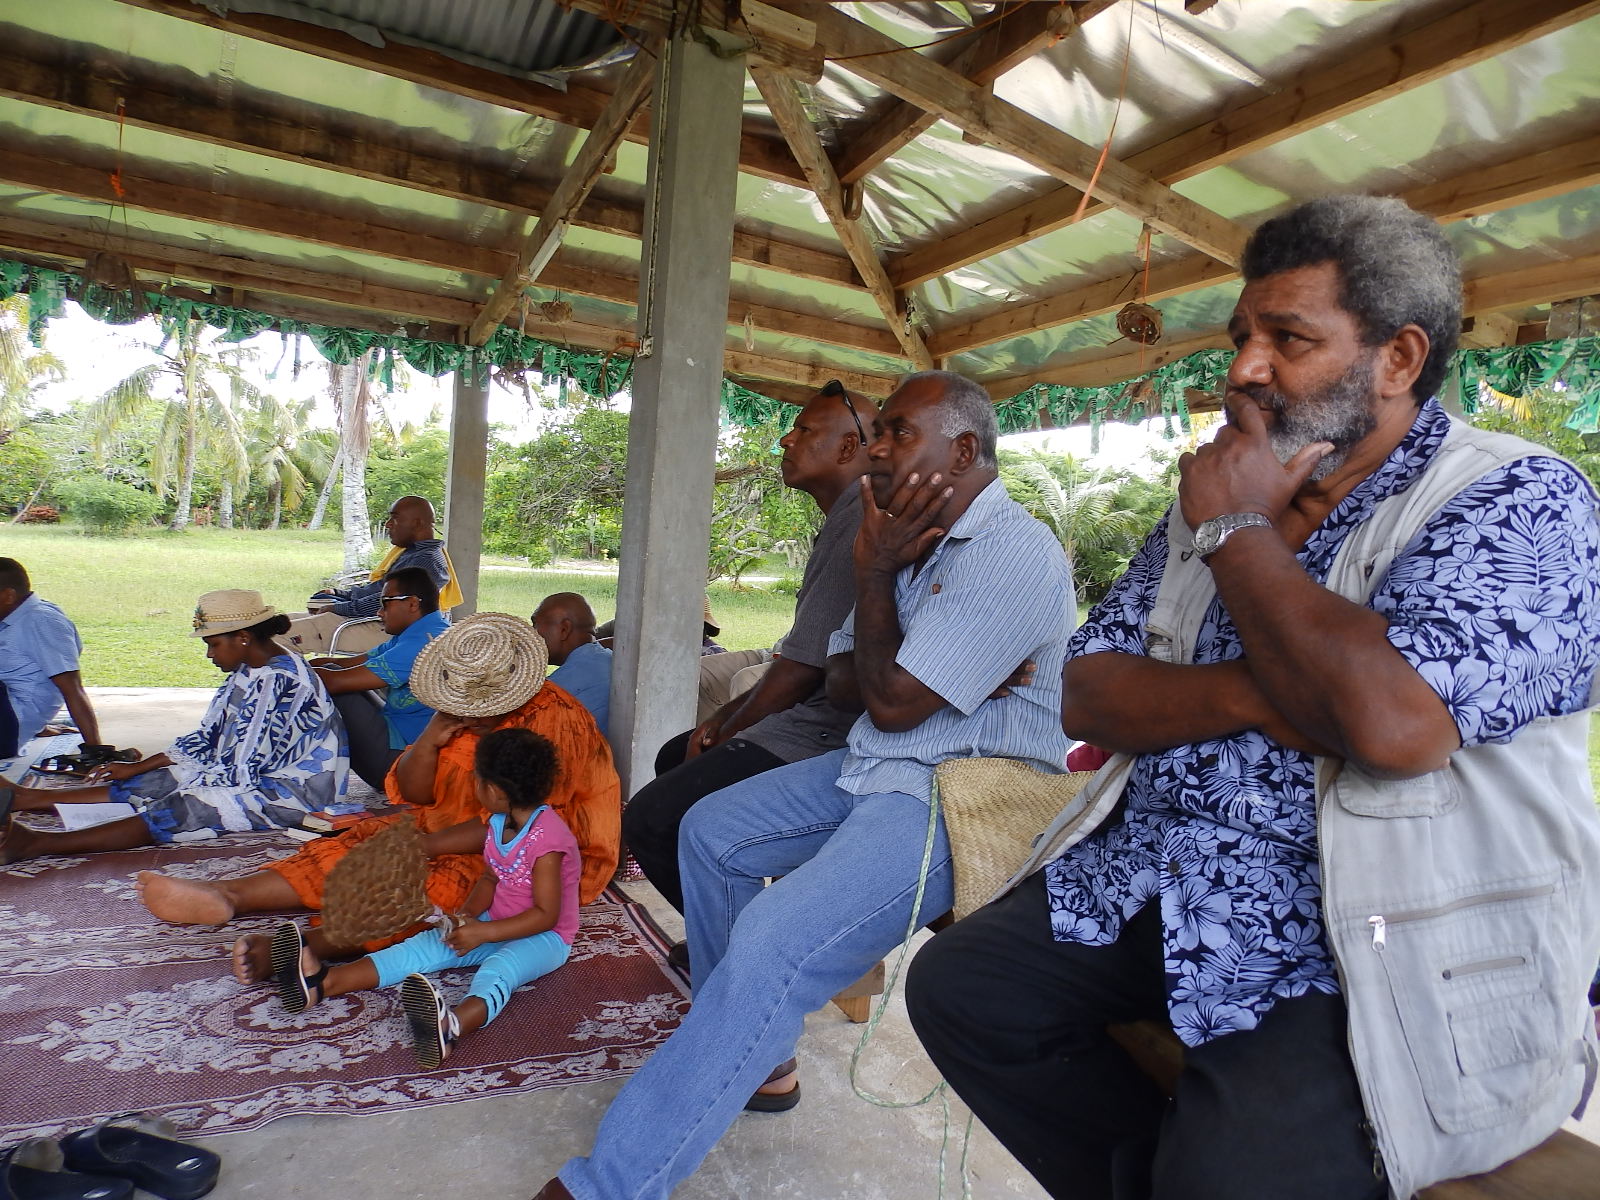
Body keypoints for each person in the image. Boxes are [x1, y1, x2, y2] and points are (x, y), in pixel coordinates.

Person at [905, 196, 1600, 1200]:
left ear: (1398, 360)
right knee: (964, 992)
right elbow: (1088, 692)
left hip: (1364, 934)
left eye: (1289, 339)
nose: (1243, 368)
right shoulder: (1218, 488)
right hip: (1162, 874)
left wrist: (1241, 536)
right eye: (1242, 337)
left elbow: (1393, 728)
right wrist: (1271, 692)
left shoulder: (1515, 498)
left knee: (1230, 1171)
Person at [532, 370, 1074, 1200]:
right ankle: (752, 1055)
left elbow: (889, 702)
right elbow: (851, 687)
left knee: (775, 943)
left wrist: (885, 620)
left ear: (963, 450)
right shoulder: (895, 541)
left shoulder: (1012, 549)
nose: (879, 450)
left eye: (898, 433)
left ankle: (609, 1182)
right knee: (707, 833)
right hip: (873, 760)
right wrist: (881, 579)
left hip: (955, 789)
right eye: (879, 431)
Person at [135, 612, 620, 983]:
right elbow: (414, 793)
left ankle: (308, 946)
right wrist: (430, 739)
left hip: (526, 854)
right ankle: (229, 895)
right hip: (451, 828)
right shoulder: (455, 712)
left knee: (436, 893)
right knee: (361, 845)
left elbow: (525, 827)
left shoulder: (553, 723)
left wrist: (425, 847)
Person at [623, 381, 878, 930]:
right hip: (816, 718)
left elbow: (802, 670)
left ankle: (748, 949)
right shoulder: (846, 518)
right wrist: (720, 723)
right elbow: (801, 656)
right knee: (676, 756)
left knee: (651, 819)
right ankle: (737, 927)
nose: (786, 439)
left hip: (835, 734)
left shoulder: (861, 520)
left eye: (805, 429)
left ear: (849, 447)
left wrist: (726, 727)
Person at [268, 727, 582, 1069]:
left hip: (545, 937)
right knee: (426, 946)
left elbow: (546, 915)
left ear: (494, 790)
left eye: (477, 780)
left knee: (499, 969)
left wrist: (483, 933)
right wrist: (466, 918)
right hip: (496, 921)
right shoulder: (497, 823)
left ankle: (452, 1026)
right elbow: (491, 876)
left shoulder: (548, 840)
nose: (474, 787)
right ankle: (323, 983)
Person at [2, 590, 348, 863]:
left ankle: (39, 843)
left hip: (293, 792)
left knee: (187, 802)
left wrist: (180, 787)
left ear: (242, 637)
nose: (210, 655)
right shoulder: (252, 668)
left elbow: (238, 772)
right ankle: (30, 798)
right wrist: (138, 767)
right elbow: (208, 738)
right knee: (155, 779)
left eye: (213, 644)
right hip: (254, 772)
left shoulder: (277, 680)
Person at [309, 566, 450, 789]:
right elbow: (343, 664)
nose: (379, 612)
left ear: (413, 603)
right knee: (330, 675)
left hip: (400, 766)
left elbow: (334, 681)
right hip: (401, 745)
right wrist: (299, 665)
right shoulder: (422, 631)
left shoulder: (422, 644)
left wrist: (283, 668)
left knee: (334, 690)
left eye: (386, 603)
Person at [286, 496, 461, 654]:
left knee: (274, 636)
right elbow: (379, 589)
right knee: (274, 624)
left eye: (395, 517)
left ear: (417, 523)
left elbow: (387, 604)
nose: (388, 524)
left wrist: (338, 607)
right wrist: (339, 594)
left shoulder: (427, 562)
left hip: (383, 629)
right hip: (371, 620)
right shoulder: (410, 554)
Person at [0, 558, 102, 758]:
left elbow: (72, 688)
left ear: (9, 595)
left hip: (7, 728)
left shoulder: (42, 622)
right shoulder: (17, 615)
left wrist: (96, 750)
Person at [533, 592, 613, 738]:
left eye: (535, 625)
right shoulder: (611, 659)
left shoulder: (555, 691)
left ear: (564, 629)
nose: (531, 635)